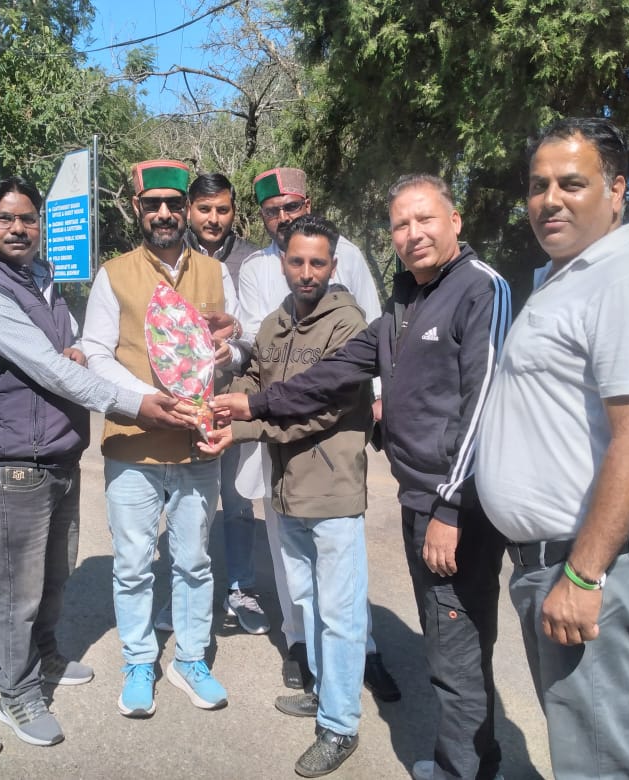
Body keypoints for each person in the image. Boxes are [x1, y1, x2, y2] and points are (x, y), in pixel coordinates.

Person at [215, 174, 511, 780]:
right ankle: (336, 700)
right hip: (331, 489)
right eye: (401, 224)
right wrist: (238, 406)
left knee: (377, 624)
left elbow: (479, 404)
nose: (412, 234)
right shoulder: (399, 306)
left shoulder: (473, 291)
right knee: (327, 609)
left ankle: (345, 727)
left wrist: (450, 507)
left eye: (425, 220)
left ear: (455, 220)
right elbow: (287, 383)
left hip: (422, 498)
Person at [475, 117, 629, 779]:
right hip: (550, 563)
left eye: (572, 183)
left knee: (596, 760)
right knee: (577, 741)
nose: (550, 200)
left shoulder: (626, 280)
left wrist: (583, 575)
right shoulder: (567, 276)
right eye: (539, 186)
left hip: (585, 564)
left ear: (617, 190)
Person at [0, 176, 191, 747]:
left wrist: (82, 349)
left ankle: (48, 656)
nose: (19, 228)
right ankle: (17, 692)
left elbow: (72, 349)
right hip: (18, 462)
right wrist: (138, 404)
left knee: (56, 574)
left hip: (58, 453)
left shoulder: (40, 280)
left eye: (28, 218)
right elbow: (52, 369)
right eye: (5, 219)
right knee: (19, 588)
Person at [201, 215, 370, 776]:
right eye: (296, 261)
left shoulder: (347, 325)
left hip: (331, 489)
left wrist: (246, 423)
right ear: (283, 262)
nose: (306, 272)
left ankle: (340, 726)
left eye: (317, 262)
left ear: (333, 266)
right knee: (308, 601)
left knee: (341, 613)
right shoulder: (277, 323)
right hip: (285, 487)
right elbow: (258, 382)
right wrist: (229, 402)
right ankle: (324, 693)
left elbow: (317, 408)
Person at [81, 159, 243, 718]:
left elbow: (235, 344)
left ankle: (191, 659)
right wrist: (144, 401)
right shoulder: (114, 274)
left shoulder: (214, 273)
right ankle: (138, 660)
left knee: (194, 561)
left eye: (175, 205)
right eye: (154, 205)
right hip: (134, 444)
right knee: (132, 563)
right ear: (138, 210)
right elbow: (96, 353)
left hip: (198, 444)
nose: (166, 214)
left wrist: (229, 348)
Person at [236, 166, 400, 701]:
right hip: (279, 456)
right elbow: (256, 354)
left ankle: (352, 679)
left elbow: (369, 342)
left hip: (322, 452)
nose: (283, 219)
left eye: (291, 208)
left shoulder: (344, 273)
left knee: (340, 588)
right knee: (297, 575)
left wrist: (375, 398)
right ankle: (309, 661)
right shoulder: (263, 285)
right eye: (273, 213)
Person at [150, 173, 270, 636]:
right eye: (204, 209)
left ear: (233, 211)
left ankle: (240, 588)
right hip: (181, 404)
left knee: (238, 501)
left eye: (222, 210)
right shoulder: (170, 257)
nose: (213, 219)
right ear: (189, 211)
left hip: (232, 398)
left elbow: (260, 330)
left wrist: (235, 336)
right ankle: (183, 593)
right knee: (189, 501)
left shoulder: (253, 261)